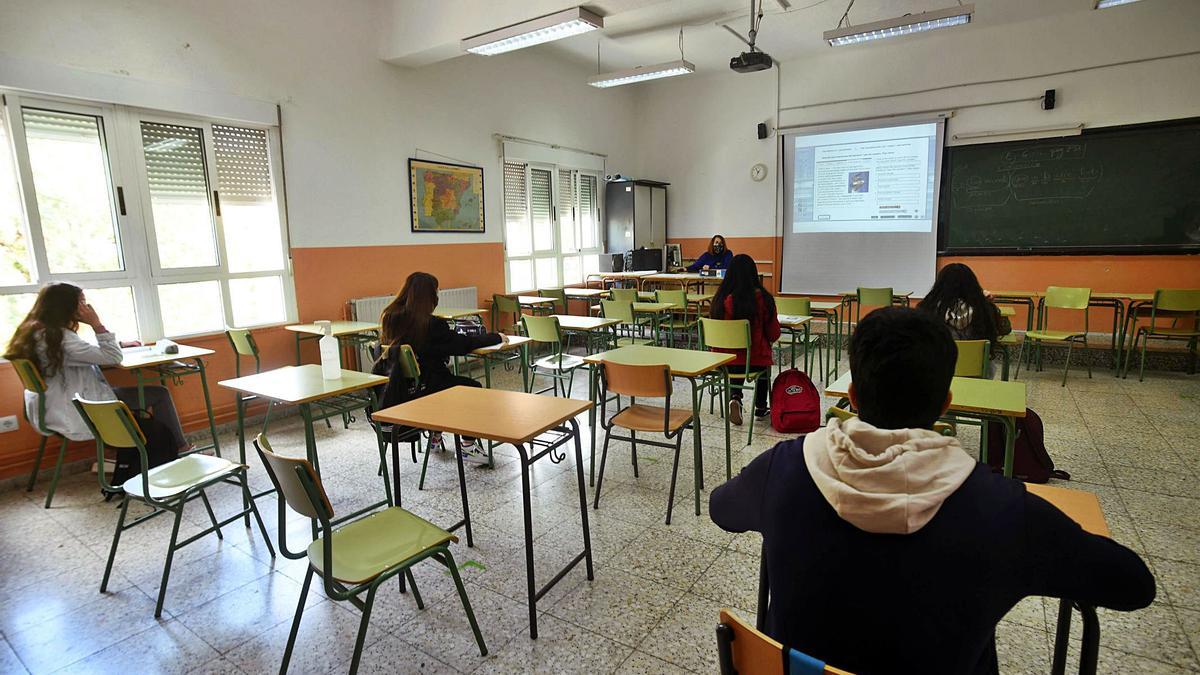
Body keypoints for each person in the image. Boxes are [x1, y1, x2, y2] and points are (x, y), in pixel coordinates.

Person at [709, 307, 1154, 675]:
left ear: (854, 397)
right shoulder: (1004, 511)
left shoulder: (784, 468)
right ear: (946, 403)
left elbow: (720, 509)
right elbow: (1133, 585)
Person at [4, 282, 190, 453]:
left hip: (53, 405)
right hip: (80, 407)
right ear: (66, 306)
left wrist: (116, 343)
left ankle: (131, 453)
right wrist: (97, 325)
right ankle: (180, 448)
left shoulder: (36, 330)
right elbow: (112, 356)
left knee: (142, 396)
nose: (86, 308)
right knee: (159, 394)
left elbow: (78, 353)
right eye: (82, 302)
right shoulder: (61, 338)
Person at [376, 271, 505, 460]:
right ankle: (468, 446)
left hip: (402, 389)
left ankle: (435, 434)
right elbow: (463, 345)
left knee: (447, 382)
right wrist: (496, 336)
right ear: (429, 296)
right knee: (472, 388)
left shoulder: (390, 317)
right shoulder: (431, 325)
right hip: (428, 389)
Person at [709, 254, 780, 425]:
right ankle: (761, 407)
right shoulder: (763, 299)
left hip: (722, 362)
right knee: (761, 364)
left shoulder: (719, 300)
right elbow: (773, 334)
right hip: (753, 361)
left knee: (736, 356)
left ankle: (735, 397)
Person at [918, 262, 1012, 343]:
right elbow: (1005, 330)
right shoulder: (983, 308)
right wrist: (986, 302)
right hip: (976, 363)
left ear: (940, 286)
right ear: (973, 286)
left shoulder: (928, 309)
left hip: (941, 363)